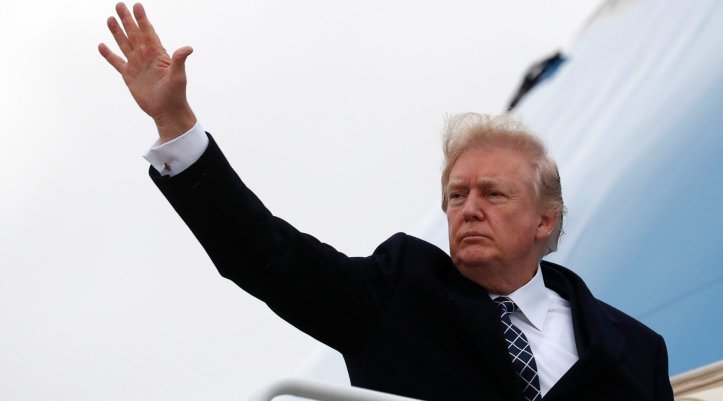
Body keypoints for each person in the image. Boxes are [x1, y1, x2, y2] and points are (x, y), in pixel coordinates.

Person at [99, 3, 673, 400]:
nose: (468, 208)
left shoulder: (638, 350)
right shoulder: (397, 294)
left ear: (546, 219)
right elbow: (263, 253)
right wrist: (174, 122)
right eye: (455, 195)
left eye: (493, 194)